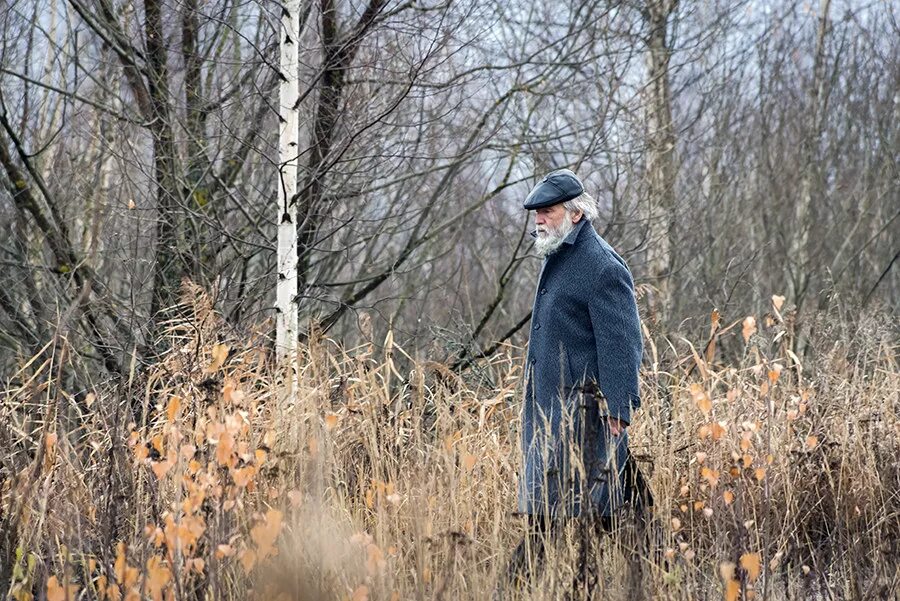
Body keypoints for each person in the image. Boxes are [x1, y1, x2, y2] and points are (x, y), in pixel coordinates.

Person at [499, 169, 653, 599]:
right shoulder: (560, 254)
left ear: (576, 213)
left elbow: (622, 342)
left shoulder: (601, 266)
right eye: (535, 214)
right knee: (602, 511)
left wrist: (620, 408)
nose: (538, 221)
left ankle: (511, 590)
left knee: (562, 514)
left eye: (546, 212)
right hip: (551, 412)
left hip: (583, 416)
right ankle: (648, 571)